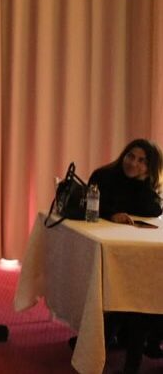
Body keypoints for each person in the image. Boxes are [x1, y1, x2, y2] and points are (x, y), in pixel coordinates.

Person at [87, 138, 163, 373]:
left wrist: (142, 183)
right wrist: (112, 214)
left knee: (147, 284)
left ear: (149, 167)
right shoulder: (103, 176)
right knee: (134, 289)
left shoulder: (143, 183)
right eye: (131, 156)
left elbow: (154, 210)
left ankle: (145, 338)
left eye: (142, 161)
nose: (133, 163)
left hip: (135, 250)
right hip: (110, 247)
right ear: (123, 155)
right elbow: (92, 206)